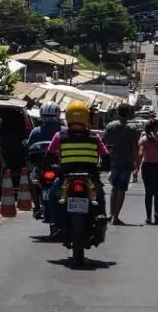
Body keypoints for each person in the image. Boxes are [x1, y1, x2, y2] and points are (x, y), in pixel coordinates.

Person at [46, 101, 110, 236]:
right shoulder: (95, 137)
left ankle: (55, 224)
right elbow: (105, 156)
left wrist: (50, 165)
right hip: (90, 176)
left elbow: (50, 154)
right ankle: (101, 218)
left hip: (66, 176)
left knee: (52, 196)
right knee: (99, 195)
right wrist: (105, 167)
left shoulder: (60, 136)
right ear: (86, 117)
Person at [103, 103, 140, 226]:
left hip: (114, 161)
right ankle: (116, 216)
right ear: (128, 113)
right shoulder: (131, 128)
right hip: (126, 162)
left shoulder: (110, 126)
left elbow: (105, 143)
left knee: (114, 188)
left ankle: (110, 213)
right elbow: (135, 147)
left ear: (118, 112)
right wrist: (136, 162)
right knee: (121, 190)